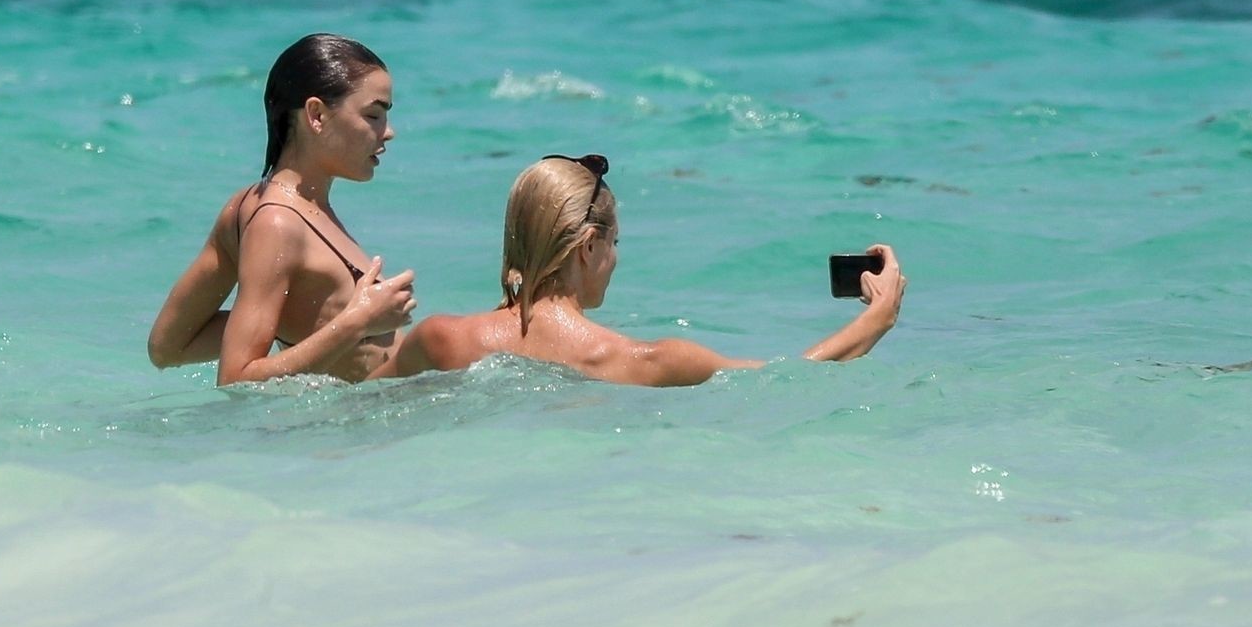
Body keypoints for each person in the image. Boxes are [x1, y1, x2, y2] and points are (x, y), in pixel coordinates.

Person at [377, 154, 905, 387]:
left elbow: (355, 396)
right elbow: (783, 379)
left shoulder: (441, 338)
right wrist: (876, 318)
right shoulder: (645, 361)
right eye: (615, 244)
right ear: (588, 246)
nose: (614, 260)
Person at [147, 33, 417, 385]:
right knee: (444, 338)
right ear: (316, 115)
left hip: (369, 409)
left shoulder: (247, 205)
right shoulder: (277, 222)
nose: (388, 132)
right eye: (373, 115)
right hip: (364, 417)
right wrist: (357, 322)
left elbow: (168, 345)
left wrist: (284, 318)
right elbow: (236, 381)